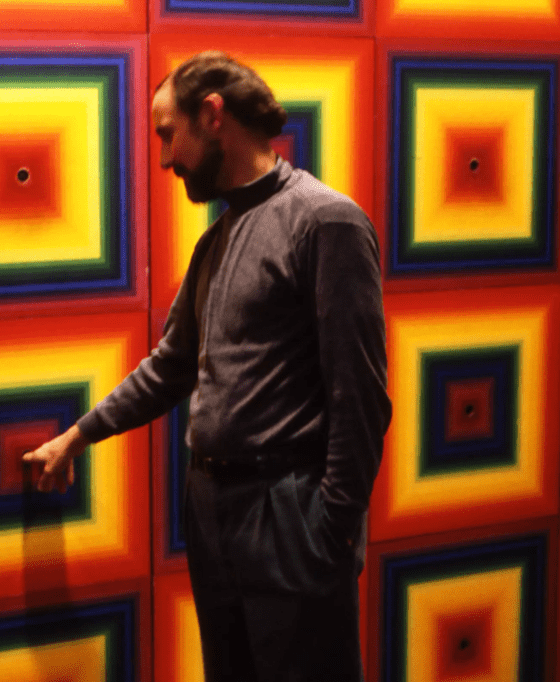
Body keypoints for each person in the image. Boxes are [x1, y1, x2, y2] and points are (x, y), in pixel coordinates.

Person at [23, 52, 391, 681]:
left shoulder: (326, 220)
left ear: (213, 113)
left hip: (290, 515)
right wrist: (77, 437)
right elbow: (171, 366)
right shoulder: (216, 240)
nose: (165, 158)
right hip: (215, 511)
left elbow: (360, 398)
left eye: (169, 133)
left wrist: (330, 530)